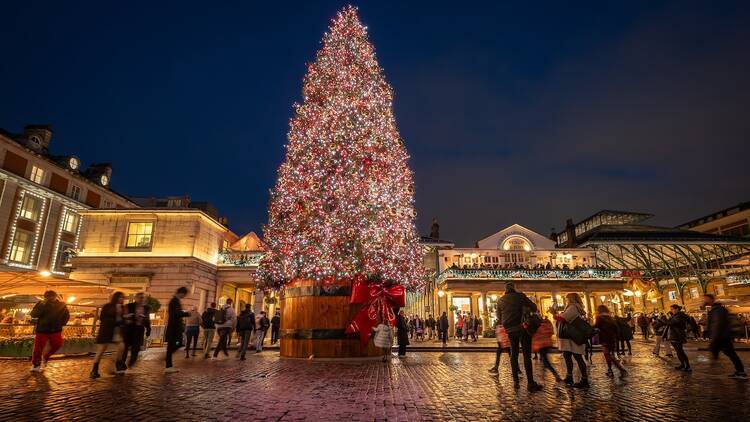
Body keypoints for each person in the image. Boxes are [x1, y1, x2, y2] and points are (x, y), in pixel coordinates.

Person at [496, 282, 542, 392]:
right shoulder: (520, 296)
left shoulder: (500, 300)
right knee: (526, 355)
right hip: (523, 328)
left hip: (510, 330)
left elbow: (499, 317)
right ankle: (530, 383)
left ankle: (515, 381)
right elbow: (534, 307)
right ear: (514, 288)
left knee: (514, 354)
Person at [704, 294, 746, 379]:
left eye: (705, 299)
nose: (704, 301)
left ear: (711, 299)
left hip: (722, 337)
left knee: (729, 353)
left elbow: (717, 325)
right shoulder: (716, 309)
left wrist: (714, 338)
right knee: (730, 353)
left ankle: (739, 372)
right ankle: (740, 371)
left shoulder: (717, 310)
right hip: (722, 336)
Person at [30, 290, 70, 372]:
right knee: (38, 348)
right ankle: (36, 364)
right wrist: (42, 305)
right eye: (47, 297)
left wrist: (62, 323)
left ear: (55, 297)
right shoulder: (41, 304)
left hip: (56, 329)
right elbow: (33, 314)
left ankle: (45, 356)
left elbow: (66, 315)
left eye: (51, 296)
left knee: (58, 344)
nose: (49, 298)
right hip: (42, 329)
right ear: (45, 297)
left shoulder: (61, 305)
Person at [555, 293, 589, 388]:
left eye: (567, 299)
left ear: (571, 299)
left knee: (578, 357)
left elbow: (563, 318)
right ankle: (569, 376)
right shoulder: (572, 307)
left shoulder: (573, 307)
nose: (566, 301)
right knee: (567, 355)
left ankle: (584, 380)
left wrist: (554, 313)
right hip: (569, 336)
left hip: (573, 336)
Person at [91, 291, 126, 379]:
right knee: (101, 350)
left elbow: (122, 319)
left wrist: (125, 319)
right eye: (120, 297)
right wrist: (117, 321)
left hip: (116, 331)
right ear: (116, 298)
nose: (122, 299)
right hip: (106, 330)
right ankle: (94, 370)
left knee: (121, 346)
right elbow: (103, 318)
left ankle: (118, 365)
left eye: (123, 297)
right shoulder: (108, 306)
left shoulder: (122, 307)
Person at [594, 305, 627, 378]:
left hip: (604, 339)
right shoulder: (610, 318)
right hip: (612, 339)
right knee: (610, 354)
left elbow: (596, 326)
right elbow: (616, 328)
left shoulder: (599, 318)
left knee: (608, 355)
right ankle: (610, 370)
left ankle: (621, 370)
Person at [122, 292, 151, 368]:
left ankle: (131, 362)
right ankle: (122, 363)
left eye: (143, 298)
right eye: (140, 297)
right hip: (130, 329)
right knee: (126, 347)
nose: (142, 299)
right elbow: (124, 316)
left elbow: (147, 319)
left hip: (139, 329)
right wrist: (132, 316)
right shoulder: (129, 306)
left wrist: (148, 329)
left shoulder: (147, 308)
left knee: (136, 347)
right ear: (136, 298)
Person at [165, 287, 190, 373]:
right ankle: (168, 363)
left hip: (174, 327)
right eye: (184, 294)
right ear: (181, 293)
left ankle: (168, 365)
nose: (184, 296)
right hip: (174, 327)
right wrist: (187, 313)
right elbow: (176, 314)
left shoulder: (175, 301)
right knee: (178, 343)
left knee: (174, 345)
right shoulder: (174, 301)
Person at [532, 313, 561, 381]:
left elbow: (536, 336)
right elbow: (550, 332)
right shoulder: (545, 324)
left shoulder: (538, 326)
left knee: (545, 361)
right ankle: (543, 376)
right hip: (547, 343)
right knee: (543, 359)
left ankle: (555, 374)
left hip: (542, 345)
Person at [664, 304, 691, 372]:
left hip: (677, 335)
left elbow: (672, 323)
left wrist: (666, 319)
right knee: (678, 352)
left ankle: (687, 366)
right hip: (675, 335)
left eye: (672, 309)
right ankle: (682, 364)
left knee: (680, 352)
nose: (671, 311)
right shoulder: (675, 316)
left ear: (677, 309)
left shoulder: (679, 316)